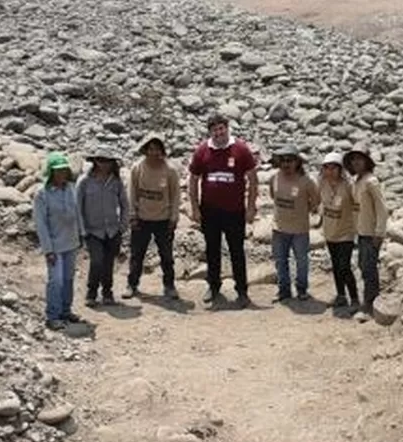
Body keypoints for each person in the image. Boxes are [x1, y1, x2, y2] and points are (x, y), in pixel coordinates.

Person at [188, 114, 259, 308]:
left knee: (237, 251)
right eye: (215, 130)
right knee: (212, 251)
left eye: (222, 129)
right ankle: (213, 286)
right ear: (210, 132)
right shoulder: (202, 150)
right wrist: (194, 207)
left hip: (235, 211)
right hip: (210, 211)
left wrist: (251, 207)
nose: (219, 133)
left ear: (227, 128)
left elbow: (253, 179)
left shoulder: (241, 149)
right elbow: (193, 179)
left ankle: (242, 291)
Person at [124, 132, 181, 300]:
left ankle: (169, 285)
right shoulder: (137, 168)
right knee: (136, 255)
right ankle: (132, 284)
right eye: (150, 149)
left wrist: (174, 217)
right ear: (145, 150)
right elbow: (132, 192)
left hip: (163, 220)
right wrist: (132, 215)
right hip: (142, 219)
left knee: (167, 256)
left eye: (157, 149)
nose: (154, 153)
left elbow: (175, 195)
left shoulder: (170, 170)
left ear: (162, 150)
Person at [33, 152, 83, 330]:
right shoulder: (42, 194)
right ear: (51, 172)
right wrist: (48, 250)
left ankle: (65, 310)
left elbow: (77, 213)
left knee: (69, 278)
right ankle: (52, 315)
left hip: (71, 241)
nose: (61, 174)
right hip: (54, 245)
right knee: (56, 280)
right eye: (57, 171)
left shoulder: (70, 188)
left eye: (63, 170)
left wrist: (81, 234)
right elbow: (41, 224)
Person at [77, 146, 129, 307]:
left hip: (113, 230)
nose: (104, 164)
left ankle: (107, 292)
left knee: (108, 263)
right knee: (97, 261)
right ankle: (91, 292)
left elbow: (124, 204)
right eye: (101, 160)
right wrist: (82, 229)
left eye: (107, 161)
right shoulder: (84, 181)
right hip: (92, 230)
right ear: (95, 162)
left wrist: (123, 225)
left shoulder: (116, 181)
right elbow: (77, 207)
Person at [268, 144, 320, 302]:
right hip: (279, 228)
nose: (286, 164)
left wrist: (304, 210)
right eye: (283, 160)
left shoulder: (306, 181)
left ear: (297, 162)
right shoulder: (274, 177)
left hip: (300, 230)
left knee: (301, 261)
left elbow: (316, 200)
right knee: (280, 261)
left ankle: (302, 290)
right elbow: (272, 196)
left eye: (290, 160)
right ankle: (284, 291)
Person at [343, 143, 389, 314]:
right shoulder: (357, 181)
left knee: (368, 267)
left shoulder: (371, 181)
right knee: (363, 266)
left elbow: (382, 208)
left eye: (359, 159)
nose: (356, 162)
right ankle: (370, 299)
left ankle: (370, 303)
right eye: (353, 159)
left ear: (366, 161)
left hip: (371, 232)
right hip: (361, 231)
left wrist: (380, 232)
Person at [318, 152, 360, 309]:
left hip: (346, 232)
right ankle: (340, 295)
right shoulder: (322, 183)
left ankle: (355, 298)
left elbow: (357, 205)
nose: (330, 171)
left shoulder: (348, 185)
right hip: (330, 231)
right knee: (335, 266)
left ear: (340, 169)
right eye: (326, 168)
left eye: (333, 168)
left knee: (344, 266)